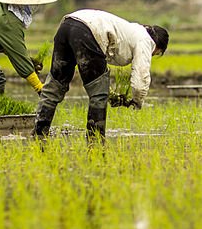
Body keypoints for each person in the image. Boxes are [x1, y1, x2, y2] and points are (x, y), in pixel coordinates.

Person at [34, 9, 169, 139]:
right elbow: (141, 74)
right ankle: (95, 138)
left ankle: (39, 132)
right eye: (156, 53)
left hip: (67, 25)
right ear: (157, 47)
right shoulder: (146, 40)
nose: (153, 54)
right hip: (87, 31)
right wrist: (136, 101)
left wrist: (112, 93)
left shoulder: (133, 30)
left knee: (55, 84)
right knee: (99, 94)